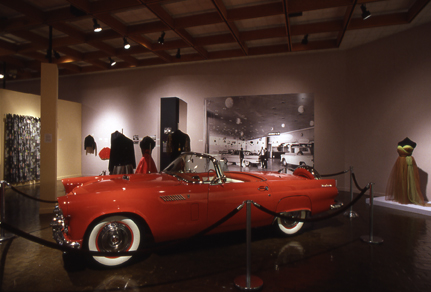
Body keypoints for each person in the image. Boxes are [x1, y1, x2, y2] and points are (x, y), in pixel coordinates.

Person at [385, 137, 425, 205]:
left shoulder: (413, 143)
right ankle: (400, 196)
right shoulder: (399, 143)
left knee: (409, 180)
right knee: (400, 179)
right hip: (400, 162)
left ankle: (409, 197)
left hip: (408, 162)